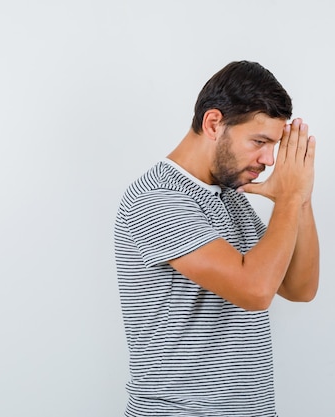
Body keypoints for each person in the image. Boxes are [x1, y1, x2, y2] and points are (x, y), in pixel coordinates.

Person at [114, 60, 320, 417]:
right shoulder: (158, 198)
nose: (268, 159)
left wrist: (300, 197)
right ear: (213, 124)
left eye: (274, 145)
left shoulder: (229, 195)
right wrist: (287, 198)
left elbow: (298, 287)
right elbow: (254, 290)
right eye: (259, 141)